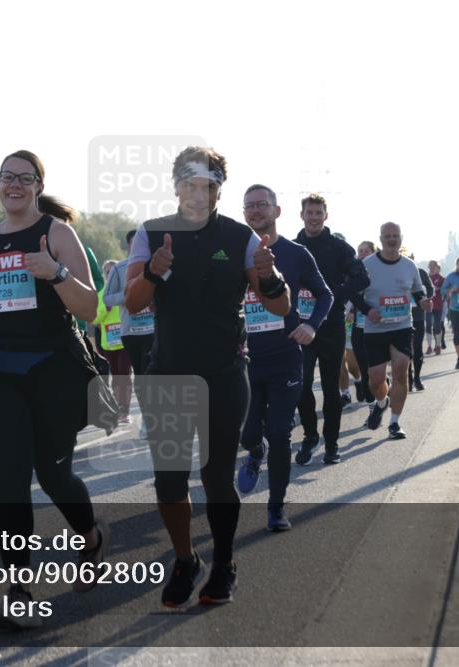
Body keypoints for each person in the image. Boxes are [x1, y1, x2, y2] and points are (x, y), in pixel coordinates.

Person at [0, 150, 110, 629]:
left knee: (54, 476)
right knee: (9, 480)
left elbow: (92, 308)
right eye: (6, 177)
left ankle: (91, 537)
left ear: (37, 185)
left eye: (23, 178)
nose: (13, 185)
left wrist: (54, 273)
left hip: (54, 372)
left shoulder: (55, 233)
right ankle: (19, 591)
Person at [125, 147, 291, 607]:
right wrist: (155, 273)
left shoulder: (240, 238)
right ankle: (185, 559)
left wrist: (271, 275)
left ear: (220, 188)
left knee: (217, 476)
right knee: (169, 481)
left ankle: (223, 562)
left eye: (209, 185)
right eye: (190, 184)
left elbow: (279, 305)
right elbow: (134, 302)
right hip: (169, 371)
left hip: (223, 373)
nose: (199, 193)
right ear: (176, 185)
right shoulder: (152, 233)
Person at [235, 184, 332, 531]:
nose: (255, 211)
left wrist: (312, 326)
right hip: (246, 360)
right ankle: (253, 452)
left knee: (278, 432)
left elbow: (325, 295)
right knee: (247, 435)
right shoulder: (236, 253)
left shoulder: (296, 254)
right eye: (249, 206)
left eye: (262, 205)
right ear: (244, 213)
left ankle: (276, 508)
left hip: (286, 356)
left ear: (276, 211)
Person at [293, 194, 370, 465]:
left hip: (331, 326)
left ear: (326, 216)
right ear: (301, 215)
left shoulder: (340, 248)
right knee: (301, 385)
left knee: (330, 388)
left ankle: (332, 444)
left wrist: (335, 295)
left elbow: (362, 278)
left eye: (318, 213)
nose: (313, 217)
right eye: (309, 213)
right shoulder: (293, 246)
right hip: (301, 326)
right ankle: (310, 436)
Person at [354, 223, 432, 439]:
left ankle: (395, 423)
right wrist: (368, 310)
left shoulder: (410, 266)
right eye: (387, 236)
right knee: (376, 379)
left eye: (395, 236)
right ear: (380, 239)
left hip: (402, 327)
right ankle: (382, 402)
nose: (391, 240)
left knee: (400, 373)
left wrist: (423, 301)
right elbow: (355, 294)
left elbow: (417, 291)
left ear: (401, 238)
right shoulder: (367, 264)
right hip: (375, 329)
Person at [103, 229, 154, 438]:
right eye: (135, 244)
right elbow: (107, 299)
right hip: (131, 332)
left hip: (155, 330)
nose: (140, 249)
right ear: (129, 247)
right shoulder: (120, 268)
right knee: (141, 378)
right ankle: (148, 420)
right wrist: (130, 295)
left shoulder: (157, 267)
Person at [95, 260, 132, 423]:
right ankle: (118, 407)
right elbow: (94, 319)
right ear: (104, 275)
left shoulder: (125, 291)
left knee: (124, 374)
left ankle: (125, 410)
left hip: (125, 340)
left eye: (113, 272)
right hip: (108, 342)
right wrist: (105, 308)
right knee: (116, 377)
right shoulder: (100, 295)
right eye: (107, 272)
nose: (110, 274)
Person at [350, 241, 377, 407]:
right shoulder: (352, 273)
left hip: (378, 327)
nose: (361, 254)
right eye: (359, 251)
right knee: (364, 368)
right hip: (359, 326)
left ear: (373, 253)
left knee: (373, 370)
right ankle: (372, 404)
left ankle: (377, 400)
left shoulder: (380, 272)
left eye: (365, 251)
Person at [405, 252, 433, 392]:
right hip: (402, 318)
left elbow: (431, 288)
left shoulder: (421, 272)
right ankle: (408, 380)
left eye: (410, 258)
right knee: (405, 351)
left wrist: (424, 298)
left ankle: (417, 378)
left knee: (417, 349)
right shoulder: (397, 272)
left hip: (418, 316)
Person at [426, 261, 445, 355]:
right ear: (429, 267)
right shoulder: (426, 277)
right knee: (428, 325)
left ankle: (438, 346)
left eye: (434, 266)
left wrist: (439, 290)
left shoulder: (441, 279)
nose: (432, 268)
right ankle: (429, 346)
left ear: (437, 267)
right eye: (431, 266)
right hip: (428, 305)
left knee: (437, 326)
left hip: (438, 305)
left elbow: (444, 290)